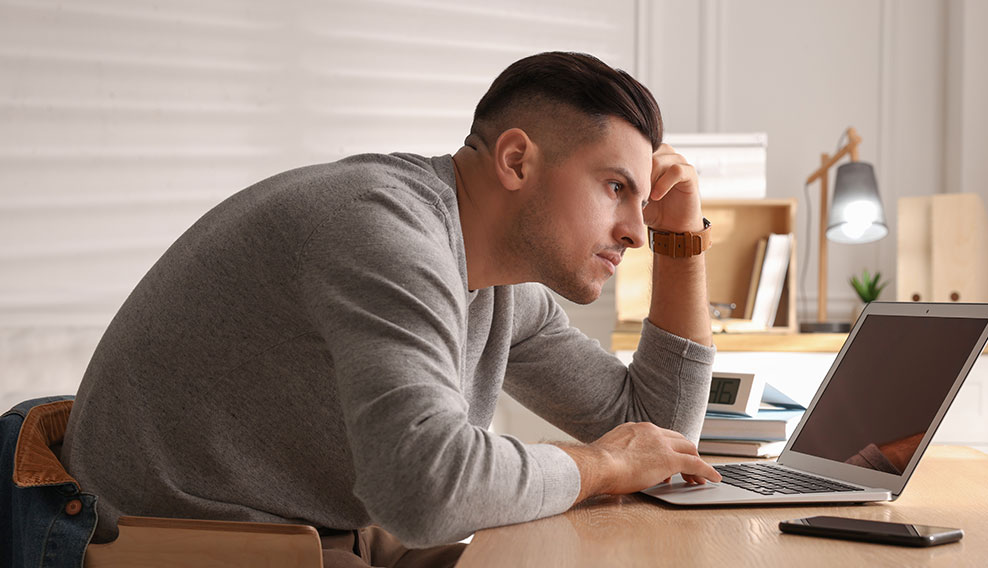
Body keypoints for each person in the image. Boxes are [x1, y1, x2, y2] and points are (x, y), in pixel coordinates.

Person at [61, 51, 721, 567]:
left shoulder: (496, 284)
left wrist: (682, 238)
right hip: (184, 546)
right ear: (517, 160)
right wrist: (599, 464)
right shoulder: (385, 236)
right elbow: (427, 490)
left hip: (324, 532)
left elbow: (659, 435)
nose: (636, 230)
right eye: (615, 188)